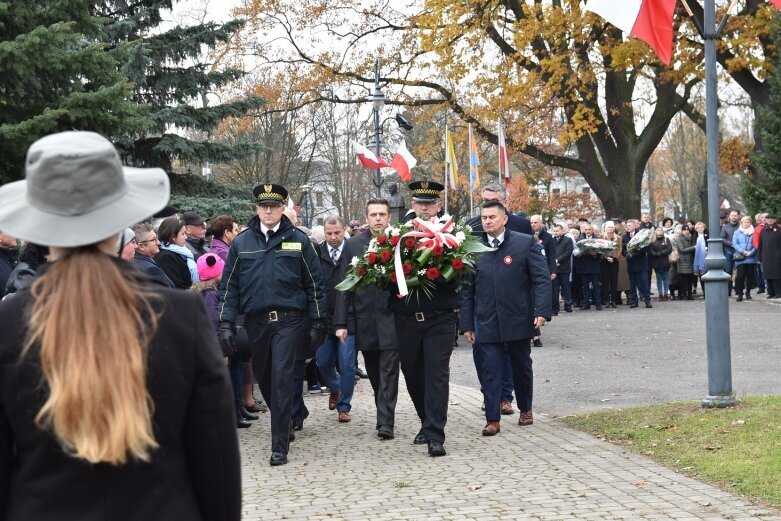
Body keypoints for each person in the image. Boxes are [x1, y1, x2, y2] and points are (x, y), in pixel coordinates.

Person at [0, 130, 240, 521]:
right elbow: (217, 468)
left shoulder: (8, 324)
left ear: (39, 224)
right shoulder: (181, 316)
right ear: (119, 223)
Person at [219, 183, 325, 467]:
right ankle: (286, 420)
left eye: (274, 206)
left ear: (281, 209)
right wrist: (226, 324)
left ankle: (279, 445)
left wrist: (318, 321)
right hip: (256, 324)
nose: (268, 210)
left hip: (290, 321)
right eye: (263, 206)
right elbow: (229, 289)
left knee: (280, 378)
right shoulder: (242, 244)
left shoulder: (299, 241)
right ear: (257, 209)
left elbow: (315, 284)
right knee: (266, 379)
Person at [459, 201, 552, 436]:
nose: (487, 221)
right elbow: (466, 290)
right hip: (487, 320)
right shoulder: (474, 249)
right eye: (484, 218)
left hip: (518, 318)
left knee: (521, 365)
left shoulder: (524, 243)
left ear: (504, 219)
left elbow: (541, 279)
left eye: (492, 217)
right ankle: (493, 418)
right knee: (490, 369)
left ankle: (526, 408)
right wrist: (467, 324)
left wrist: (541, 311)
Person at [391, 180, 457, 457]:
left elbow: (461, 274)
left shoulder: (452, 234)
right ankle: (425, 421)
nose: (425, 207)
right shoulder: (400, 235)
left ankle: (435, 435)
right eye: (420, 203)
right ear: (413, 205)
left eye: (430, 203)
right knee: (413, 374)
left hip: (439, 317)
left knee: (437, 375)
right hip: (407, 318)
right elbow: (387, 277)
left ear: (438, 205)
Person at [334, 199, 400, 440]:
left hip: (392, 319)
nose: (378, 218)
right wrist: (340, 324)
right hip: (364, 320)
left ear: (389, 217)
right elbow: (344, 286)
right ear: (366, 217)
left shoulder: (399, 242)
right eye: (374, 214)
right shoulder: (352, 245)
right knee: (375, 373)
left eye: (382, 214)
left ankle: (386, 422)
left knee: (390, 372)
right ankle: (383, 411)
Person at [315, 216, 355, 423]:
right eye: (329, 233)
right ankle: (336, 386)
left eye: (337, 233)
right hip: (324, 318)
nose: (333, 237)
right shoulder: (317, 253)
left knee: (348, 364)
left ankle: (344, 406)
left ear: (344, 229)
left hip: (347, 318)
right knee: (322, 362)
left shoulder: (353, 251)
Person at [466, 182, 532, 236]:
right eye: (486, 200)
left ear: (505, 202)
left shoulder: (523, 225)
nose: (489, 204)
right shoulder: (471, 226)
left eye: (494, 201)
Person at [132, 223, 174, 288]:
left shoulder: (135, 262)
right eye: (153, 240)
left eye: (156, 238)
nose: (158, 242)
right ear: (141, 246)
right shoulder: (151, 269)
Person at [623, 219, 652, 308]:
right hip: (631, 263)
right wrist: (627, 255)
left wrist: (638, 250)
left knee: (644, 283)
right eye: (627, 226)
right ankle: (634, 301)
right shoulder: (624, 236)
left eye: (630, 225)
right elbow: (623, 249)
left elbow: (647, 246)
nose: (628, 227)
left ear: (635, 226)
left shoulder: (641, 235)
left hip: (641, 263)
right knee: (632, 284)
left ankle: (647, 300)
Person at [573, 222, 602, 310]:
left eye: (589, 229)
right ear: (583, 231)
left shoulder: (597, 240)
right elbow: (576, 253)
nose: (588, 231)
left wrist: (594, 254)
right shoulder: (579, 239)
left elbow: (601, 253)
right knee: (585, 286)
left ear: (592, 230)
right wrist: (580, 253)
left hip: (594, 266)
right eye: (586, 230)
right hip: (583, 265)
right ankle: (586, 303)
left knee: (595, 286)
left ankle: (598, 303)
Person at [732, 215, 757, 301]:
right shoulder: (737, 232)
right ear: (741, 223)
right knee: (740, 276)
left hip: (751, 257)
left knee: (750, 276)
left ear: (750, 223)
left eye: (748, 222)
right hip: (741, 257)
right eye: (744, 222)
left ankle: (748, 292)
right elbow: (735, 244)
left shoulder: (754, 232)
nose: (746, 224)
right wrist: (743, 251)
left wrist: (751, 252)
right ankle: (740, 294)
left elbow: (756, 244)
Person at [551, 223, 574, 314]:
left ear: (562, 231)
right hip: (554, 269)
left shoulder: (568, 240)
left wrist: (558, 260)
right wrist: (553, 261)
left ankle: (568, 305)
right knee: (555, 289)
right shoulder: (552, 240)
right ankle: (555, 308)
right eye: (554, 231)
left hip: (564, 267)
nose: (555, 232)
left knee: (566, 288)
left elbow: (568, 252)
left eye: (557, 231)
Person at [600, 221, 622, 308]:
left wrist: (613, 257)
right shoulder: (601, 237)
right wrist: (606, 257)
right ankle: (606, 300)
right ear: (605, 228)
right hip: (604, 261)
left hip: (614, 261)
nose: (610, 229)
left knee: (614, 280)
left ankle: (613, 300)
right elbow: (599, 248)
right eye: (609, 227)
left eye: (612, 227)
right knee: (605, 281)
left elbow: (619, 248)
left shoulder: (618, 238)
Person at [758, 214, 781, 299]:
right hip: (766, 256)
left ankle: (778, 293)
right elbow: (760, 245)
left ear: (775, 220)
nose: (770, 220)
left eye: (772, 219)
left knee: (777, 275)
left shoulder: (779, 230)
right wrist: (759, 257)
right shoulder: (763, 230)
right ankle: (770, 293)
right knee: (767, 275)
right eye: (768, 219)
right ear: (766, 220)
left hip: (777, 256)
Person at [673, 225, 697, 300]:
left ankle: (689, 294)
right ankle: (684, 294)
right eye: (684, 230)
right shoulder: (679, 239)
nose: (686, 231)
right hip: (683, 262)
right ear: (682, 231)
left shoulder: (690, 238)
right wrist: (694, 247)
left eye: (687, 230)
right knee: (683, 280)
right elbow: (682, 250)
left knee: (690, 280)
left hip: (690, 261)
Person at [648, 227, 673, 300]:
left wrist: (661, 253)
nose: (660, 231)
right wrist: (655, 254)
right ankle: (660, 294)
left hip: (665, 262)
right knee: (659, 279)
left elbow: (669, 249)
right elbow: (650, 250)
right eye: (658, 230)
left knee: (666, 279)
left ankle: (665, 294)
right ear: (655, 232)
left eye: (661, 230)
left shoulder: (666, 239)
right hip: (656, 263)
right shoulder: (653, 241)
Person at [720, 210, 740, 296]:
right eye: (732, 215)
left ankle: (739, 290)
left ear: (738, 216)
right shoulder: (725, 227)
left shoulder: (741, 226)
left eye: (735, 215)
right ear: (729, 216)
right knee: (728, 271)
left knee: (740, 272)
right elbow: (722, 238)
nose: (734, 217)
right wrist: (730, 243)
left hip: (740, 251)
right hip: (729, 251)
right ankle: (728, 290)